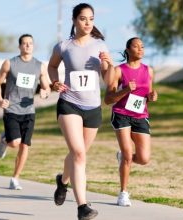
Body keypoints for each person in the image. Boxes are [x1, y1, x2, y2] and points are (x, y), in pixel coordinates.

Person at [48, 3, 113, 220]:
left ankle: (63, 181)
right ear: (74, 20)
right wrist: (55, 82)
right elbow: (51, 67)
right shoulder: (64, 46)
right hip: (69, 103)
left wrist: (109, 65)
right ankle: (82, 206)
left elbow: (108, 79)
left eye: (91, 19)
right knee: (79, 154)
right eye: (83, 18)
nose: (88, 23)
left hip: (92, 107)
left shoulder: (100, 45)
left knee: (79, 153)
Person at [0, 34, 51, 190]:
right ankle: (5, 140)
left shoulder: (40, 66)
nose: (27, 46)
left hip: (29, 111)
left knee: (25, 145)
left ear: (33, 46)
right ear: (19, 46)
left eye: (30, 43)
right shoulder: (10, 63)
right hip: (11, 109)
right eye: (24, 43)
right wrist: (0, 100)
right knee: (15, 143)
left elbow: (46, 86)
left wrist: (45, 92)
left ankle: (15, 178)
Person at [104, 37, 158, 207]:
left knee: (143, 158)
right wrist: (126, 89)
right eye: (136, 46)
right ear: (128, 50)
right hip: (121, 114)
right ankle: (123, 193)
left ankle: (123, 158)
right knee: (128, 154)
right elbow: (107, 99)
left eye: (142, 46)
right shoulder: (118, 71)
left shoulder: (148, 70)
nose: (141, 49)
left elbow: (148, 93)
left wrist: (151, 96)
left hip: (140, 115)